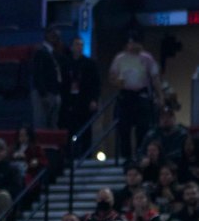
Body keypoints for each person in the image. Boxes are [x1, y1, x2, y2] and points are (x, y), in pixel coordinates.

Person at [110, 32, 163, 160]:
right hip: (125, 95)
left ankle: (141, 155)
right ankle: (126, 157)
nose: (132, 46)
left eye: (134, 43)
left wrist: (160, 96)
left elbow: (155, 78)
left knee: (143, 128)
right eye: (130, 43)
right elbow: (112, 77)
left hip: (141, 95)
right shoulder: (120, 58)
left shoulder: (147, 58)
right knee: (124, 128)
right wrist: (117, 82)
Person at [60, 37, 100, 157]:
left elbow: (96, 83)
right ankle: (69, 156)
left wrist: (94, 99)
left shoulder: (90, 64)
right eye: (77, 44)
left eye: (81, 45)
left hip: (84, 101)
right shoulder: (66, 64)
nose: (79, 47)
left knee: (86, 130)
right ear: (72, 47)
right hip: (69, 101)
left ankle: (87, 155)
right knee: (69, 130)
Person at [31, 27, 63, 129]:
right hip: (44, 94)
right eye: (53, 35)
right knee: (41, 125)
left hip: (54, 93)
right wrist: (43, 94)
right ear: (47, 36)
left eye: (57, 36)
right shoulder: (41, 52)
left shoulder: (53, 53)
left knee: (52, 125)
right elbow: (38, 74)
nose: (56, 38)